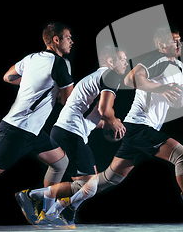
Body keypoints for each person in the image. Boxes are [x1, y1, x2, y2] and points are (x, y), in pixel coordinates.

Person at [38, 26, 183, 225]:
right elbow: (133, 78)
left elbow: (175, 98)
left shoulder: (180, 67)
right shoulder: (155, 60)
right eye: (173, 40)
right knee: (182, 156)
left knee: (106, 180)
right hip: (140, 126)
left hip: (143, 129)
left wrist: (179, 98)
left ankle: (64, 206)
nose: (178, 44)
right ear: (160, 45)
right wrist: (162, 88)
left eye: (179, 40)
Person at [0, 23, 74, 206]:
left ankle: (47, 212)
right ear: (56, 39)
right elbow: (68, 102)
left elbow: (8, 76)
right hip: (18, 130)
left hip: (33, 132)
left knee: (60, 163)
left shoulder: (31, 58)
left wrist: (31, 84)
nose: (72, 41)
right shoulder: (59, 64)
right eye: (68, 37)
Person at [15, 46, 128, 228]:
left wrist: (109, 122)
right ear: (110, 62)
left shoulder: (97, 77)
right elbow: (104, 110)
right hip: (70, 131)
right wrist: (114, 121)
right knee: (90, 185)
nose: (125, 62)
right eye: (122, 59)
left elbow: (95, 117)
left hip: (65, 130)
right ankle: (39, 201)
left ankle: (53, 211)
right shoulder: (111, 76)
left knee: (87, 186)